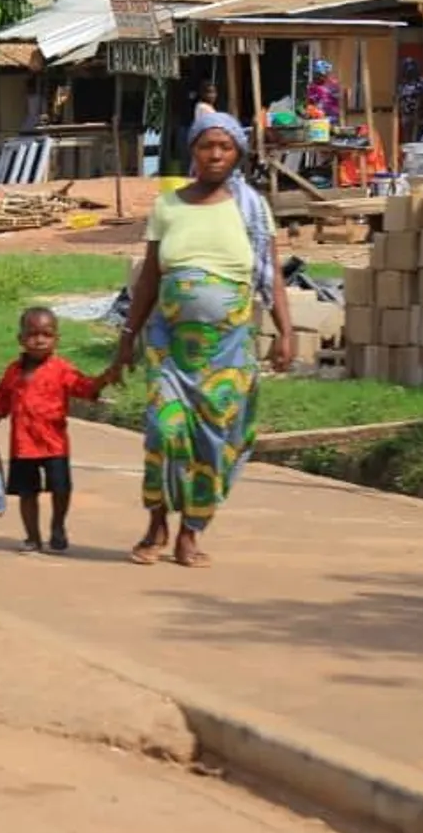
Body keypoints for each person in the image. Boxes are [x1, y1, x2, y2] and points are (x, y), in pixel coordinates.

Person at [113, 112, 292, 568]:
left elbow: (271, 277)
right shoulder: (168, 206)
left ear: (238, 154)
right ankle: (157, 522)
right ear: (192, 150)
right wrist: (127, 336)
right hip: (168, 345)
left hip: (228, 349)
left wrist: (286, 333)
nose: (215, 154)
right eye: (206, 146)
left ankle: (191, 532)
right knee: (163, 430)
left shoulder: (252, 209)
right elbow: (150, 277)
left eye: (225, 147)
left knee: (214, 442)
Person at [0, 308, 118, 554]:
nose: (39, 340)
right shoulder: (13, 371)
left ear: (56, 339)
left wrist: (105, 378)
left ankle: (58, 525)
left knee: (61, 488)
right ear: (21, 339)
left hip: (54, 443)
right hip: (23, 445)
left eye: (46, 334)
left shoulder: (62, 369)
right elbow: (2, 399)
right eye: (32, 334)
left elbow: (84, 388)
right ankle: (32, 537)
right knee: (27, 493)